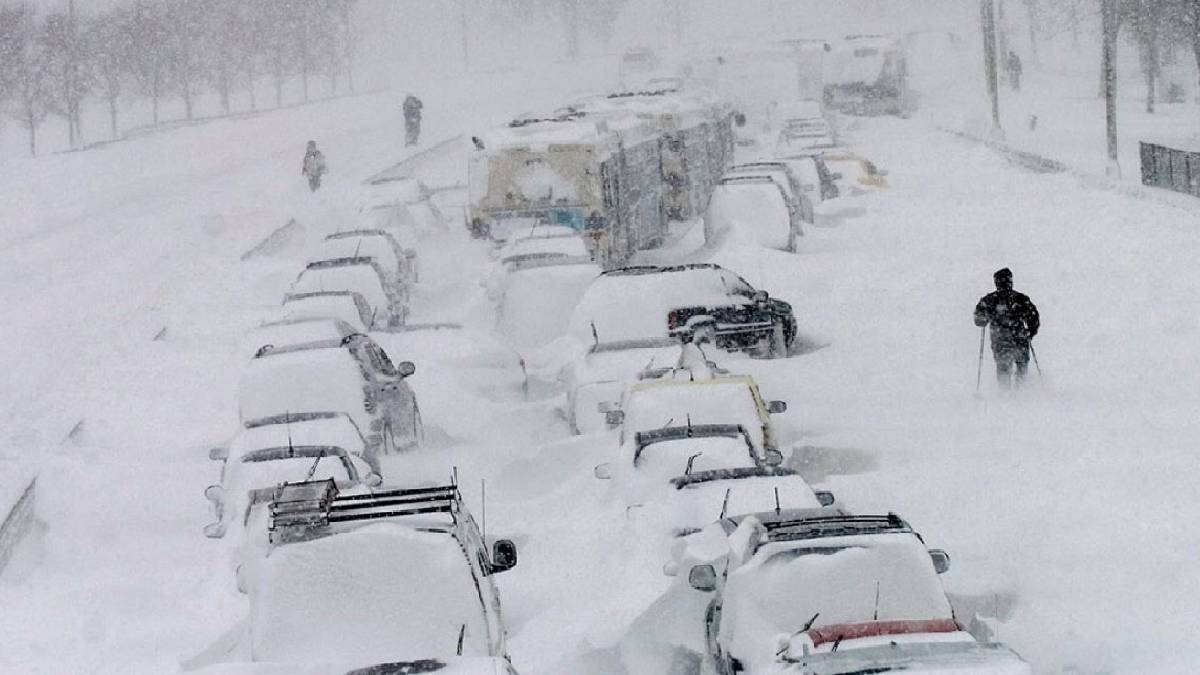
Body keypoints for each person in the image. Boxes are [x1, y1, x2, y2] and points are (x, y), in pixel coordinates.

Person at [974, 268, 1040, 388]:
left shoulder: (989, 300)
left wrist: (983, 319)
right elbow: (1033, 317)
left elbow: (978, 320)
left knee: (1003, 368)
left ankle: (1005, 396)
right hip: (1019, 338)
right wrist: (1030, 332)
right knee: (1021, 366)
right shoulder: (1021, 299)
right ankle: (1022, 393)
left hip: (1000, 340)